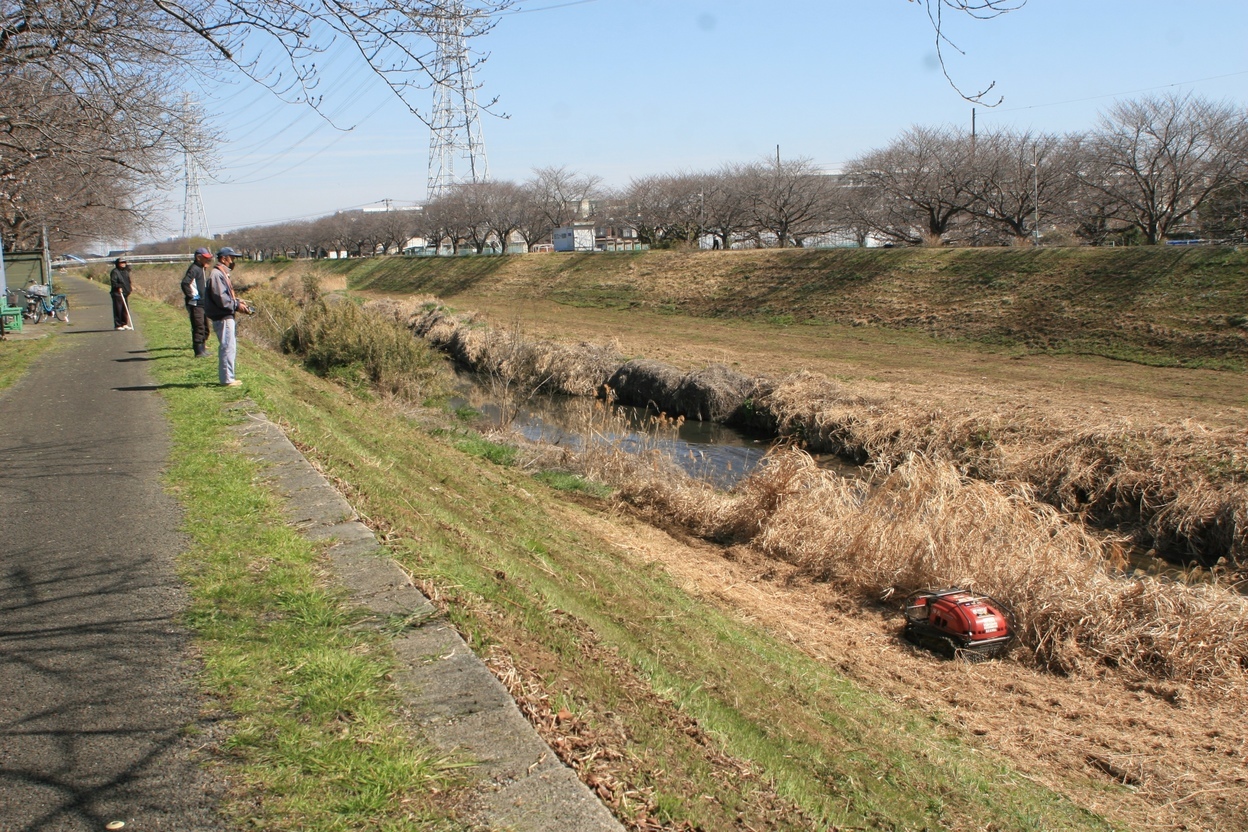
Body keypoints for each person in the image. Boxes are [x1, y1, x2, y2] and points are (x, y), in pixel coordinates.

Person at [201, 247, 252, 387]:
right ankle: (227, 379)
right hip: (223, 317)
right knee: (227, 347)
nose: (233, 261)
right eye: (232, 258)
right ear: (223, 259)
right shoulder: (217, 275)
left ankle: (229, 377)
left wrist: (237, 302)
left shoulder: (220, 273)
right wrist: (236, 305)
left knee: (229, 346)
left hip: (224, 316)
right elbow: (222, 300)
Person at [180, 247, 213, 357]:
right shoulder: (194, 269)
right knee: (199, 326)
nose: (208, 260)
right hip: (195, 304)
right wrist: (192, 297)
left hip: (203, 303)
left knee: (205, 327)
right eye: (205, 258)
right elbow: (185, 283)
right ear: (198, 257)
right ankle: (198, 351)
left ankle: (203, 348)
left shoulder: (201, 268)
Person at [109, 257, 132, 330]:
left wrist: (129, 288)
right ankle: (118, 325)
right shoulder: (115, 272)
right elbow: (113, 282)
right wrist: (118, 287)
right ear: (117, 264)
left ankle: (124, 323)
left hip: (125, 292)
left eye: (124, 262)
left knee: (125, 309)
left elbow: (128, 281)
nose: (123, 264)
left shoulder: (125, 271)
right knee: (118, 309)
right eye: (121, 263)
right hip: (117, 293)